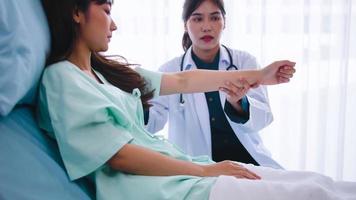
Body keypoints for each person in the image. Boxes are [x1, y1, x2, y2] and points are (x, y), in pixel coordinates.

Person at [38, 0, 356, 200]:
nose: (115, 23)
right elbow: (118, 155)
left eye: (214, 17)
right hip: (171, 183)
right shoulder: (62, 78)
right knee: (314, 193)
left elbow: (185, 81)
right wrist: (203, 171)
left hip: (195, 171)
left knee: (321, 183)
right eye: (107, 10)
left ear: (224, 22)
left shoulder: (108, 73)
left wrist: (260, 75)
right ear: (76, 12)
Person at [145, 0, 281, 169]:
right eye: (197, 19)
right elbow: (151, 122)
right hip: (201, 168)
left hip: (250, 161)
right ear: (185, 25)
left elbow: (264, 117)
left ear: (224, 22)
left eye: (215, 18)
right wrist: (133, 98)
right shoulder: (169, 71)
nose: (207, 27)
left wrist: (239, 103)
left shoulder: (244, 62)